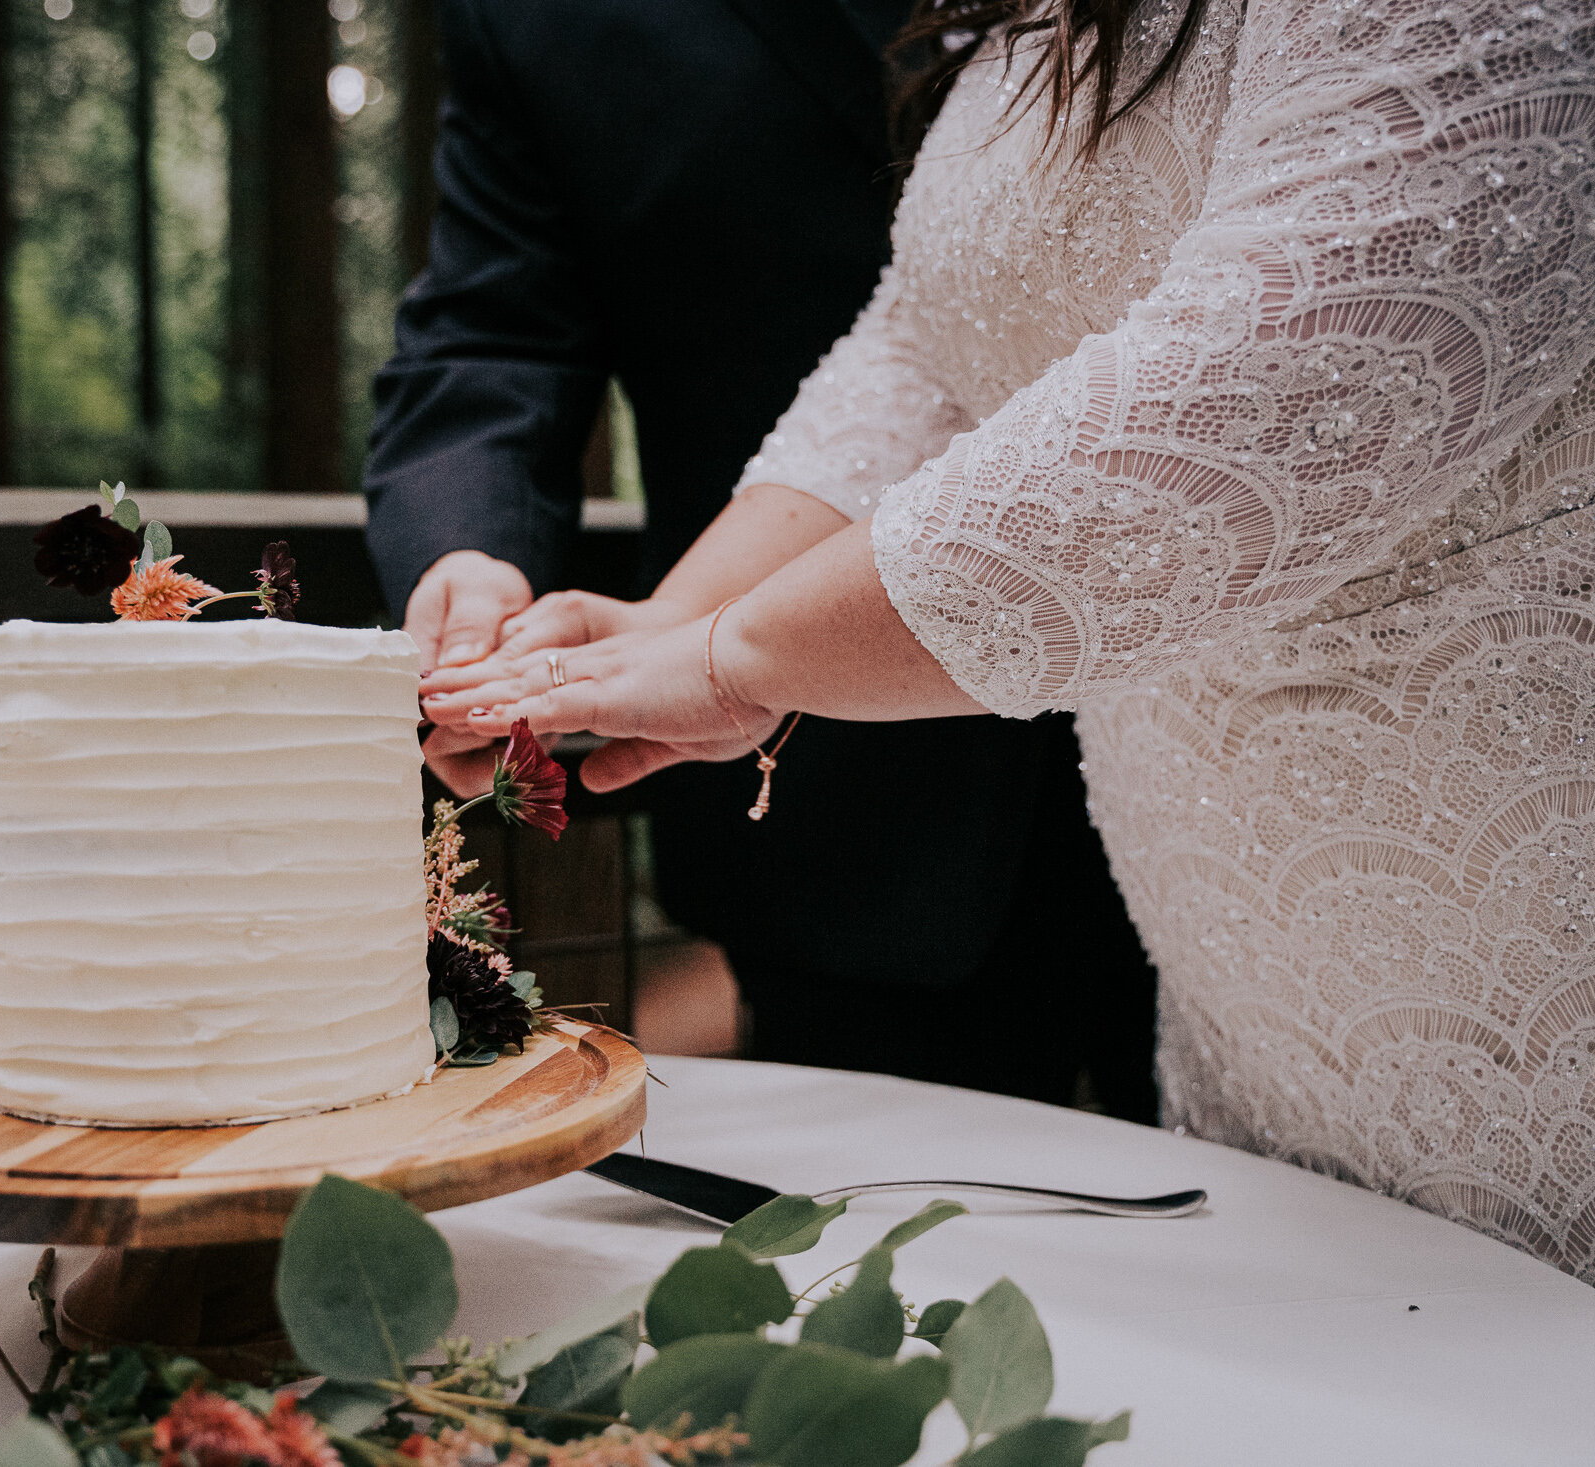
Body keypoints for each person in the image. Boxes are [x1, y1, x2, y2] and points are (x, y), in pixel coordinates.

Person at [424, 0, 1595, 1308]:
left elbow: (1314, 353)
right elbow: (933, 346)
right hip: (1250, 1001)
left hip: (1545, 922)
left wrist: (742, 657)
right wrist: (678, 620)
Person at [365, 0, 1158, 1119]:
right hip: (832, 807)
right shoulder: (532, 24)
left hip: (1255, 738)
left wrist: (724, 651)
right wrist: (477, 554)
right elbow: (494, 337)